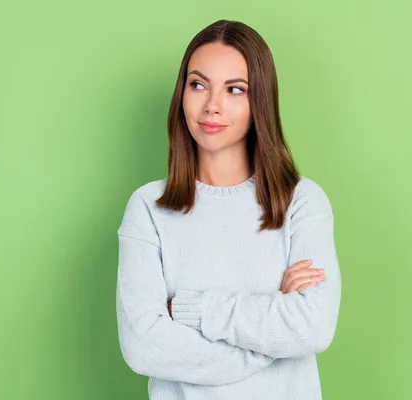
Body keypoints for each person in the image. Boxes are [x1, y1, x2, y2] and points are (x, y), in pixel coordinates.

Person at [116, 19, 342, 400]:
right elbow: (144, 346)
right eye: (198, 85)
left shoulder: (301, 202)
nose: (212, 106)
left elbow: (314, 328)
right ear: (182, 94)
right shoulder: (148, 209)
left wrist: (188, 308)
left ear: (260, 103)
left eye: (235, 89)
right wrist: (271, 332)